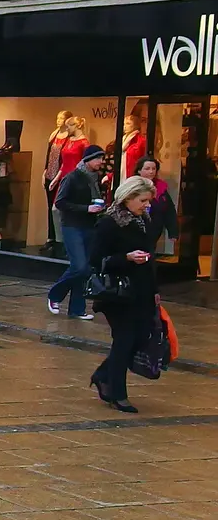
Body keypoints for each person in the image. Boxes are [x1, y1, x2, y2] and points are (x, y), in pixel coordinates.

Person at [89, 175, 160, 414]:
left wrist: (155, 291)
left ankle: (103, 375)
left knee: (140, 335)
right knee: (125, 338)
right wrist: (126, 258)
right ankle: (118, 394)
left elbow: (151, 259)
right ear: (128, 198)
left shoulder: (144, 220)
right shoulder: (109, 223)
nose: (146, 205)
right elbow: (95, 260)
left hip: (141, 290)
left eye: (148, 201)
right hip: (117, 293)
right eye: (143, 200)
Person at [47, 144, 109, 320]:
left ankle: (77, 308)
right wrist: (86, 208)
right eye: (98, 158)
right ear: (88, 159)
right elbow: (60, 202)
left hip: (90, 226)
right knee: (79, 266)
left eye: (102, 159)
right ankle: (55, 295)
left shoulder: (96, 178)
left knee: (85, 269)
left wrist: (100, 208)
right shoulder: (72, 177)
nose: (101, 162)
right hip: (72, 226)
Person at [137, 156, 179, 252]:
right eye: (147, 169)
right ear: (139, 170)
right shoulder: (134, 187)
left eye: (154, 169)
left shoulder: (161, 187)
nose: (151, 172)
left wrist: (173, 231)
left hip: (155, 229)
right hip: (137, 229)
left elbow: (169, 210)